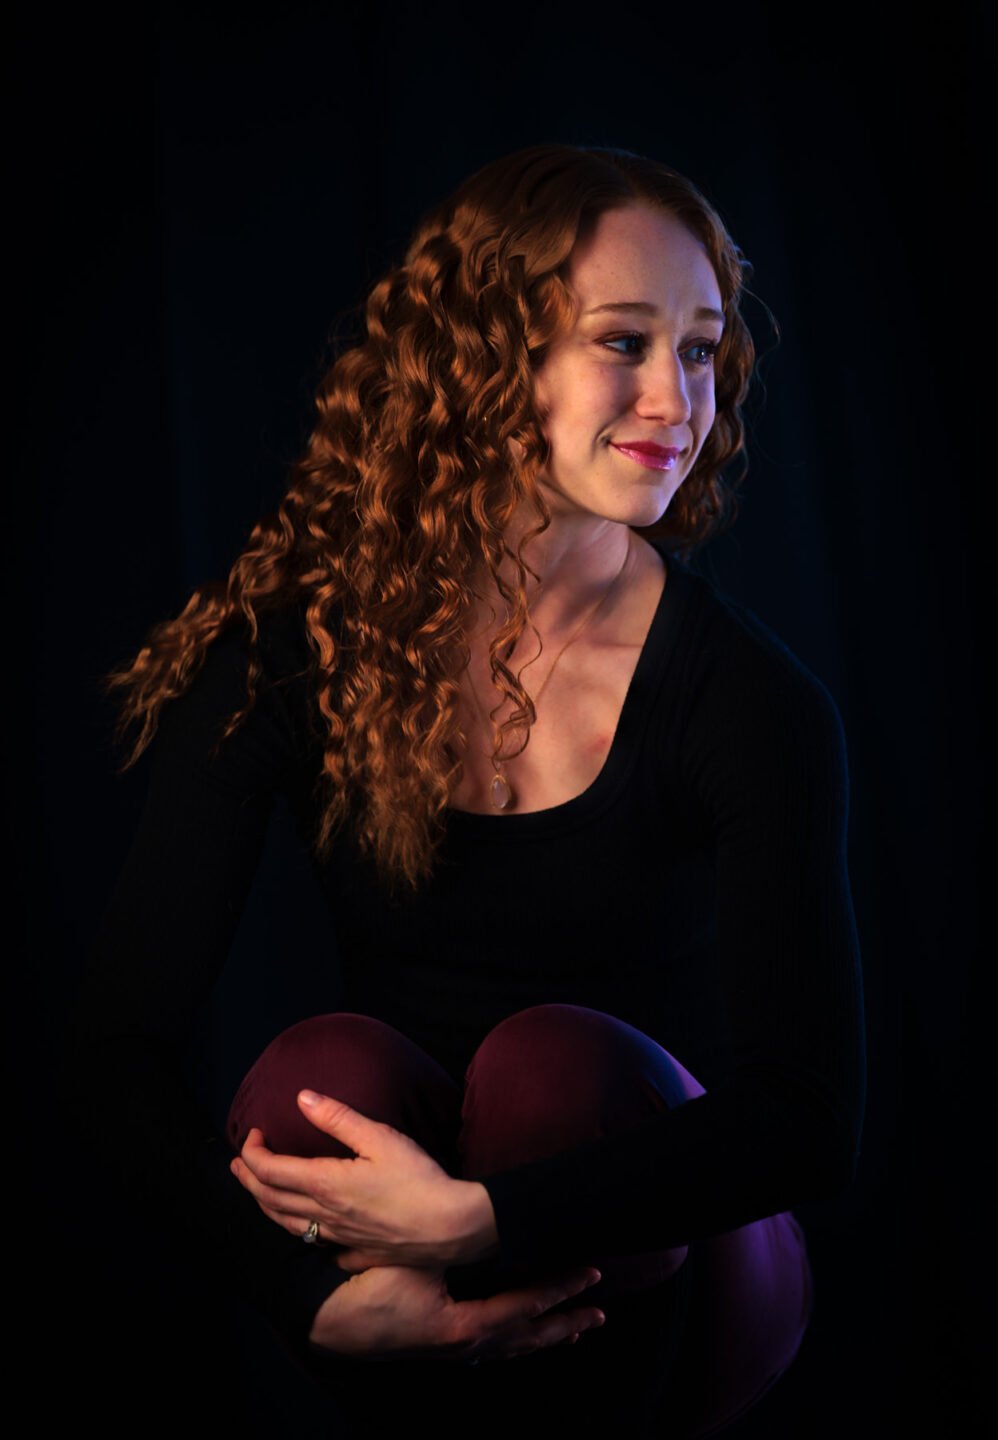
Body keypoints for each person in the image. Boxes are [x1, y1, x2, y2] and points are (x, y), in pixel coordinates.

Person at [66, 142, 867, 1437]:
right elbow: (110, 1053)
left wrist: (484, 1219)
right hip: (404, 1246)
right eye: (623, 340)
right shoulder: (297, 653)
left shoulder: (746, 702)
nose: (676, 397)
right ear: (486, 357)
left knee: (550, 1066)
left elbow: (806, 1122)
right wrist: (301, 1297)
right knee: (314, 1076)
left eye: (703, 350)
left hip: (676, 1270)